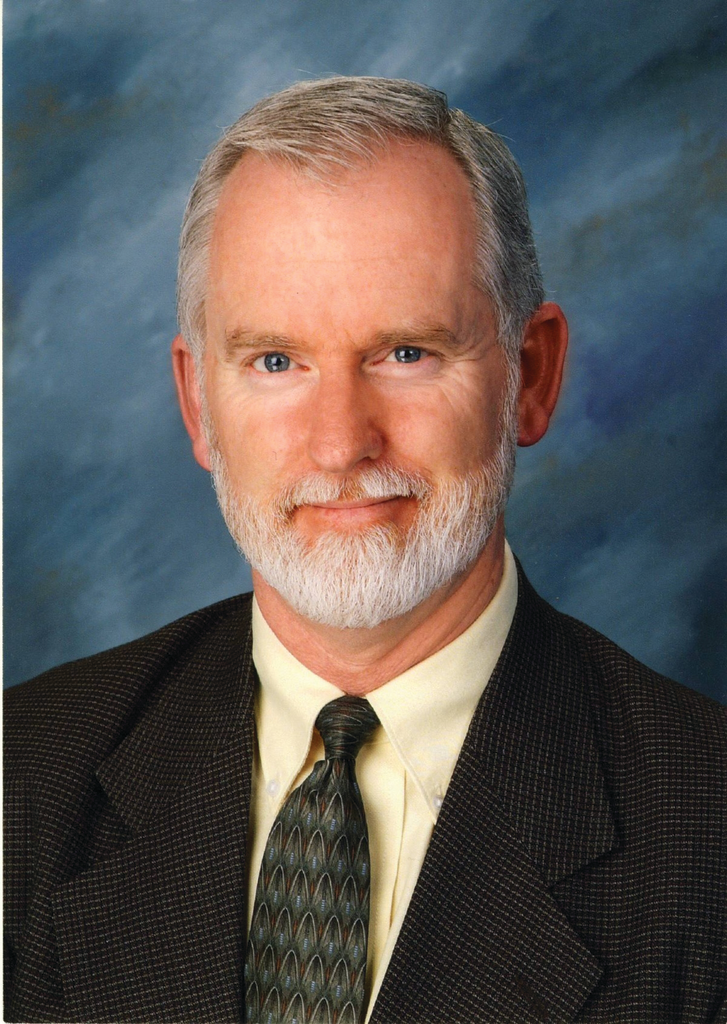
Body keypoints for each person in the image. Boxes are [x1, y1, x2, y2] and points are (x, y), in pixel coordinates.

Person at [4, 77, 726, 1024]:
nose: (342, 442)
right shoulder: (20, 781)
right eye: (276, 362)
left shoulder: (704, 836)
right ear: (197, 406)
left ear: (530, 376)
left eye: (406, 354)